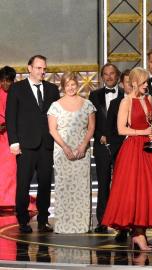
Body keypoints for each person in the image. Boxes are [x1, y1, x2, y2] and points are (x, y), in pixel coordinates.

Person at [102, 67, 152, 250]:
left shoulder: (149, 98)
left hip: (150, 148)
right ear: (134, 83)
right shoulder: (126, 102)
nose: (146, 85)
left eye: (146, 82)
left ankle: (141, 232)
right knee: (135, 191)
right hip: (133, 148)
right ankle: (138, 235)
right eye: (143, 83)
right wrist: (143, 132)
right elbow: (121, 129)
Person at [5, 55, 60, 233]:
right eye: (38, 68)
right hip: (26, 145)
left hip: (46, 144)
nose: (42, 71)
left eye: (44, 68)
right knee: (23, 184)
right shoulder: (17, 89)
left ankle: (43, 220)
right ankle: (22, 220)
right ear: (29, 68)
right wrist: (13, 141)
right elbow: (10, 117)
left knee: (45, 183)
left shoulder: (52, 89)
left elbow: (57, 117)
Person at [47, 72, 96, 233]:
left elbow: (91, 127)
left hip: (82, 150)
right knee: (64, 186)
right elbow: (52, 130)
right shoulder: (55, 105)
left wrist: (83, 145)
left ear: (77, 84)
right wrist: (66, 147)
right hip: (62, 151)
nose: (70, 87)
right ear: (63, 86)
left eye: (73, 84)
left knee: (81, 187)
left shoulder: (87, 104)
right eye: (67, 85)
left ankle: (82, 225)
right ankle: (63, 225)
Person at [89, 63, 123, 233]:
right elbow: (90, 120)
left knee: (120, 185)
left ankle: (121, 222)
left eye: (112, 74)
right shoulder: (94, 95)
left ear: (117, 76)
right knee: (103, 184)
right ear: (102, 77)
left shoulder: (125, 95)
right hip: (101, 145)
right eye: (106, 74)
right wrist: (98, 135)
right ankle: (102, 221)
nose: (109, 77)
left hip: (121, 146)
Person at [105, 69, 132, 242]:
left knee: (136, 191)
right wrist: (119, 150)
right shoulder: (115, 103)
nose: (130, 85)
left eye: (133, 81)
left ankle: (137, 226)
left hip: (140, 154)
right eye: (127, 82)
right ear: (122, 83)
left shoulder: (145, 101)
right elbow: (110, 130)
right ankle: (122, 227)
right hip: (121, 153)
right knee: (122, 192)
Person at [0, 66, 17, 209]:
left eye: (8, 81)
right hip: (0, 138)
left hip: (12, 136)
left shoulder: (17, 92)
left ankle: (10, 200)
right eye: (3, 81)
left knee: (11, 169)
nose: (5, 84)